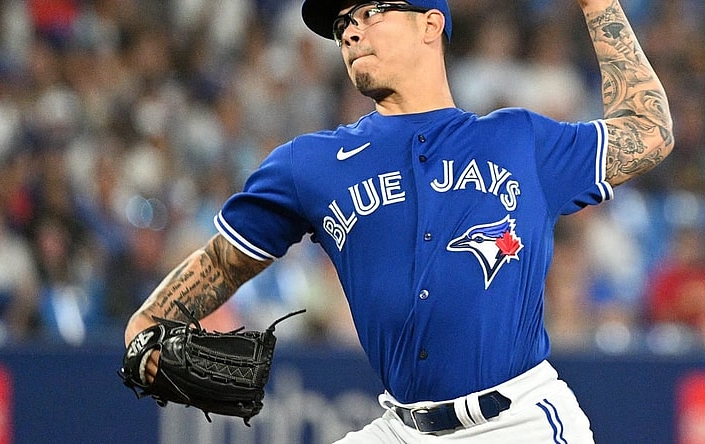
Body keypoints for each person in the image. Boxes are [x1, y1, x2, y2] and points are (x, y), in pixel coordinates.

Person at [124, 0, 674, 441]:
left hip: (520, 423)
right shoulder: (308, 166)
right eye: (343, 22)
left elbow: (649, 130)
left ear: (430, 25)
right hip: (401, 428)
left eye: (371, 12)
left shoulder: (519, 141)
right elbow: (224, 261)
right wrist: (145, 323)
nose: (351, 32)